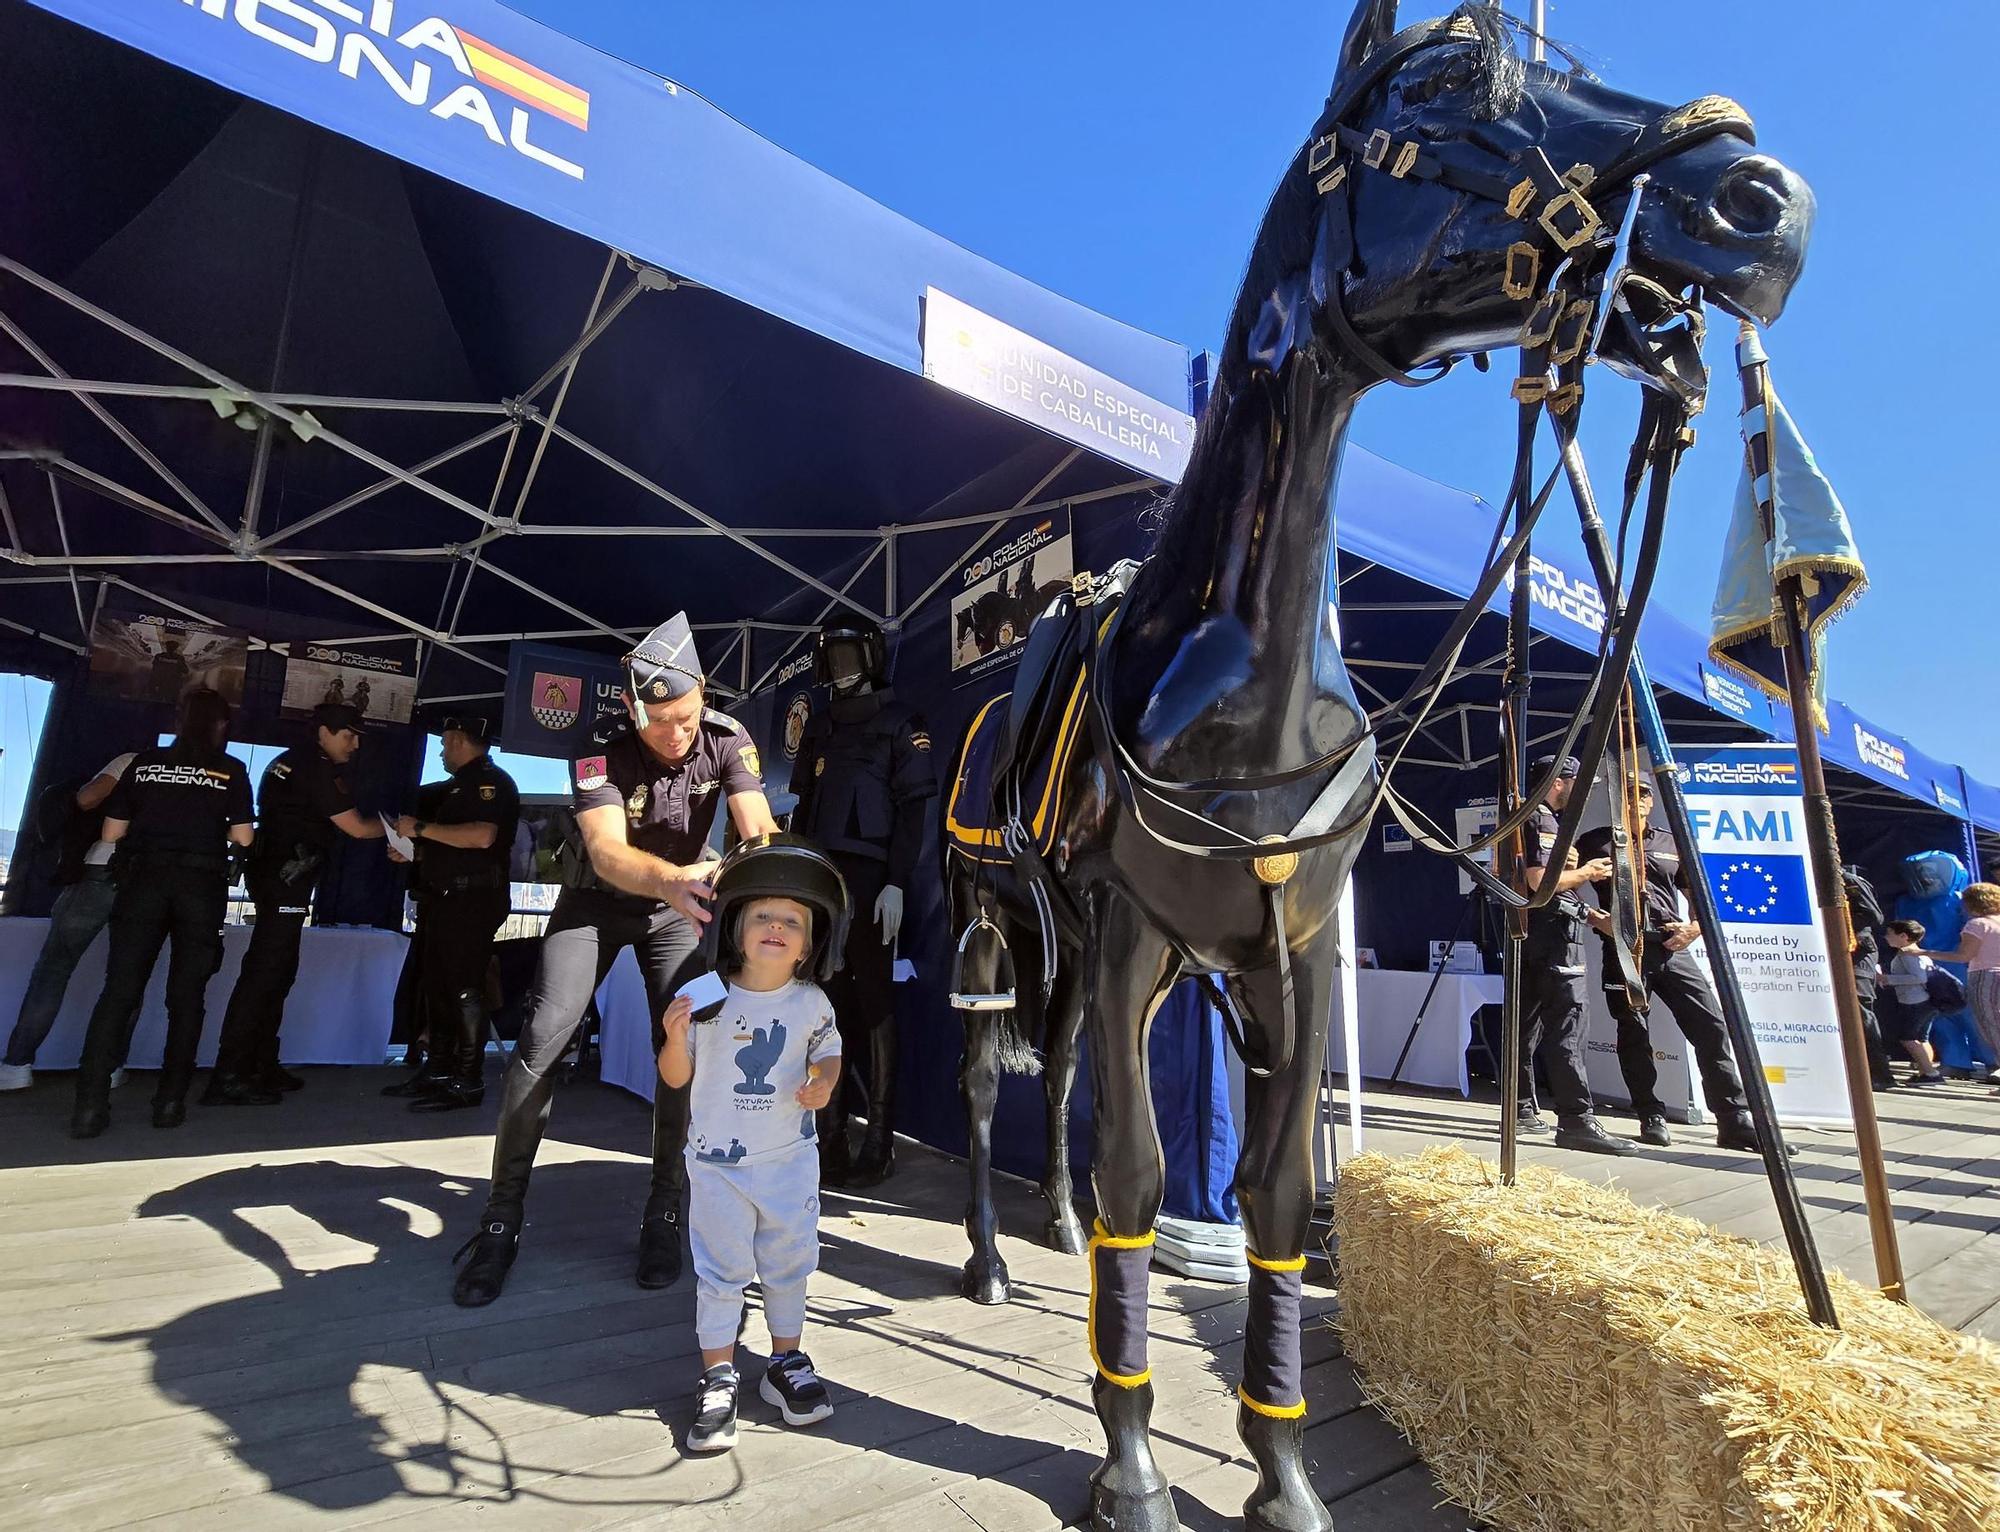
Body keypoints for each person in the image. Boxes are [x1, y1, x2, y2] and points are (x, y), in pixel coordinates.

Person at [450, 614, 777, 1309]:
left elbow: (758, 830)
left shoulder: (728, 737)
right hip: (598, 901)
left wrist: (750, 865)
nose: (676, 733)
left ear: (704, 695)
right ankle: (501, 1219)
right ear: (631, 708)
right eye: (659, 720)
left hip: (678, 908)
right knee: (544, 1038)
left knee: (686, 1041)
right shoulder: (597, 745)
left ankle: (664, 1209)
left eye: (686, 716)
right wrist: (672, 879)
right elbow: (604, 852)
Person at [659, 833, 850, 1453]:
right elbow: (675, 1078)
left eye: (792, 920)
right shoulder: (707, 994)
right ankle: (718, 1374)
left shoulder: (812, 1001)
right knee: (721, 1271)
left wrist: (822, 1083)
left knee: (791, 1262)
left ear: (809, 944)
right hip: (717, 1164)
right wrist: (672, 1037)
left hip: (789, 1162)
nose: (776, 926)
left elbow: (830, 1053)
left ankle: (785, 1362)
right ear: (735, 929)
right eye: (762, 914)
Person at [787, 615, 936, 1184]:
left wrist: (899, 879)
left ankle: (880, 1137)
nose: (843, 665)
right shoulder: (820, 728)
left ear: (870, 656)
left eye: (852, 653)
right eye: (835, 655)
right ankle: (830, 1136)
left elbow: (914, 809)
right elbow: (802, 814)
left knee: (873, 1002)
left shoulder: (902, 723)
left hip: (875, 885)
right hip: (823, 883)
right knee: (826, 1003)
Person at [69, 690, 253, 1137]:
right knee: (187, 998)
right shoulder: (229, 770)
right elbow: (244, 838)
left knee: (119, 992)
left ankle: (90, 1108)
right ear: (221, 726)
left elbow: (113, 831)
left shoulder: (145, 762)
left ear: (178, 719)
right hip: (199, 889)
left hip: (142, 884)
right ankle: (169, 1102)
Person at [1577, 773, 1782, 1154]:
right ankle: (1650, 1115)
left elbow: (1704, 897)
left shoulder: (1671, 842)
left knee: (1712, 1026)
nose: (1636, 799)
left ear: (1652, 801)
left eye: (1643, 794)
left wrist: (1693, 930)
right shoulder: (1594, 841)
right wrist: (1596, 918)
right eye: (1629, 793)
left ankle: (1733, 1120)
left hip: (1672, 946)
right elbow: (1561, 887)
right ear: (1617, 799)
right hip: (1624, 949)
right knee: (1633, 1031)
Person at [206, 702, 385, 1106]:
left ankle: (260, 1063)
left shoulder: (286, 761)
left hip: (281, 874)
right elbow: (356, 827)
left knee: (277, 972)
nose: (355, 745)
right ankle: (230, 1074)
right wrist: (399, 830)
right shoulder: (313, 766)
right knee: (265, 974)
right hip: (285, 877)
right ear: (323, 731)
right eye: (348, 735)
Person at [385, 716, 519, 1112]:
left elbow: (483, 835)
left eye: (445, 744)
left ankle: (467, 1077)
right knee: (436, 988)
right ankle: (438, 1069)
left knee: (464, 990)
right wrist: (415, 851)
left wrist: (421, 829)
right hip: (442, 898)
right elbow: (453, 845)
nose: (442, 751)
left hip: (472, 901)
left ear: (460, 740)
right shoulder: (457, 787)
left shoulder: (490, 782)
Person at [1509, 755, 1634, 1155]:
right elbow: (1539, 883)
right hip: (1552, 938)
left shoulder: (1531, 816)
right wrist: (1590, 874)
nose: (1585, 792)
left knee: (1525, 1026)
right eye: (1580, 783)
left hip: (1537, 933)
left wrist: (1592, 915)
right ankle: (1577, 1120)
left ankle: (1522, 1107)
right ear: (1560, 781)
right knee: (1567, 1025)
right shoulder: (1540, 818)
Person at [0, 750, 139, 1089]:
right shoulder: (211, 776)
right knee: (127, 979)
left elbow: (87, 798)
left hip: (100, 869)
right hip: (148, 879)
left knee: (54, 970)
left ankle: (18, 1064)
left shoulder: (134, 761)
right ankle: (109, 1067)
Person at [1915, 882, 2000, 1092]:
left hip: (1984, 977)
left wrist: (1925, 953)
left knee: (1989, 1026)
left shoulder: (1977, 925)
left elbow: (1963, 955)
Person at [1880, 919, 1948, 1085]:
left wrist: (1887, 979)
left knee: (1908, 1038)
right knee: (1922, 1038)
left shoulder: (1908, 954)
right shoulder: (1917, 953)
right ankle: (1925, 1071)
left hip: (1914, 1001)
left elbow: (1919, 977)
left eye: (1890, 933)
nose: (1886, 937)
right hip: (1925, 1001)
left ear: (1903, 936)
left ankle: (1931, 1073)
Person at [148, 635, 191, 703]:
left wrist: (153, 684)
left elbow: (154, 671)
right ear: (175, 648)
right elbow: (186, 671)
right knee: (171, 705)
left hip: (160, 685)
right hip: (173, 686)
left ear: (166, 647)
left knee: (156, 703)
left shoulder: (159, 656)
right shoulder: (179, 658)